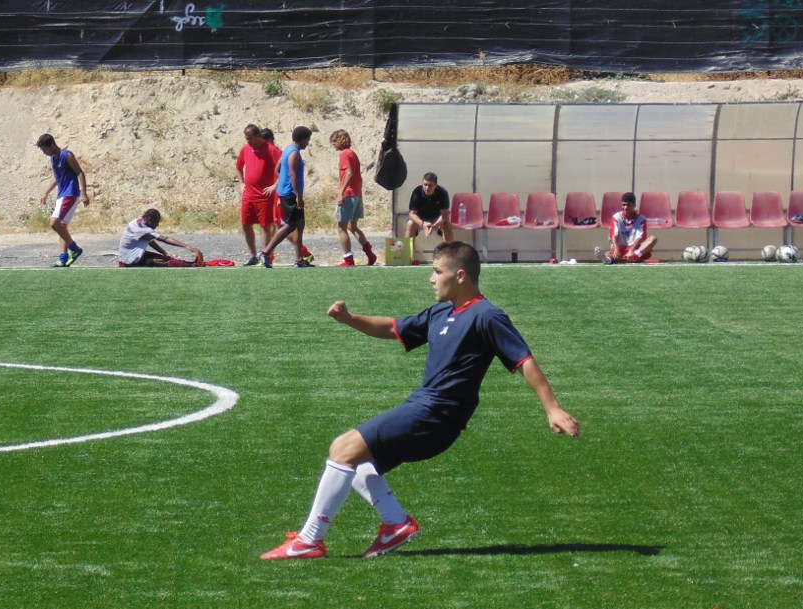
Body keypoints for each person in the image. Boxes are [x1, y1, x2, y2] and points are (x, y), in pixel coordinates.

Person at [261, 241, 580, 560]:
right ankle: (396, 525)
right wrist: (349, 318)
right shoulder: (442, 311)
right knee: (356, 461)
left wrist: (553, 409)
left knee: (343, 448)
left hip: (438, 415)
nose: (431, 278)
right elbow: (393, 327)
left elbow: (524, 361)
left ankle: (309, 541)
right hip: (424, 407)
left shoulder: (487, 316)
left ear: (460, 276)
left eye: (437, 272)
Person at [261, 126, 314, 268]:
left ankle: (299, 259)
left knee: (300, 224)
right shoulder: (294, 153)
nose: (308, 143)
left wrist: (282, 181)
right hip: (291, 194)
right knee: (290, 225)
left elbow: (277, 169)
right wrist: (298, 195)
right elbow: (292, 174)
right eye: (307, 140)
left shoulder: (287, 150)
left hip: (289, 192)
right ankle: (265, 252)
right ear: (302, 139)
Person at [36, 134, 90, 267]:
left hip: (70, 194)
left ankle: (74, 248)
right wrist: (46, 192)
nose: (44, 153)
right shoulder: (53, 158)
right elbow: (57, 177)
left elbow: (80, 173)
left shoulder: (67, 155)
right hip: (62, 195)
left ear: (51, 145)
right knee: (62, 227)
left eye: (44, 149)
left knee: (54, 222)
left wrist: (84, 193)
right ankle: (63, 258)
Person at [330, 129, 377, 267]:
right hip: (357, 194)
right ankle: (369, 253)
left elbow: (349, 173)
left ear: (340, 140)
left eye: (334, 141)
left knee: (341, 227)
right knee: (353, 226)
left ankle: (348, 259)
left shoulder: (344, 154)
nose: (333, 145)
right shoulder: (353, 154)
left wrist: (341, 192)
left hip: (349, 194)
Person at [235, 124, 279, 266]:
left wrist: (275, 185)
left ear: (258, 136)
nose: (249, 142)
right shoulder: (245, 149)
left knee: (265, 226)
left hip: (264, 196)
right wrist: (241, 183)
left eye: (251, 139)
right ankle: (253, 255)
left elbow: (283, 169)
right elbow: (238, 167)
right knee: (246, 224)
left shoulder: (271, 149)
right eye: (247, 139)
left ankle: (265, 255)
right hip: (248, 195)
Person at [117, 208, 203, 267]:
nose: (157, 224)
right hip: (128, 261)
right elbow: (165, 239)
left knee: (165, 258)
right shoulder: (143, 229)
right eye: (156, 222)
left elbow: (150, 241)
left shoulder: (136, 222)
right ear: (150, 219)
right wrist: (187, 246)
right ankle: (192, 265)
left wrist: (164, 252)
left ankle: (190, 264)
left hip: (129, 256)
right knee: (163, 262)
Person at [595, 192, 657, 264]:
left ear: (634, 205)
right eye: (623, 205)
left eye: (628, 205)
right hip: (620, 248)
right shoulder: (616, 217)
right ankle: (608, 259)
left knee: (653, 238)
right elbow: (614, 235)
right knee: (609, 249)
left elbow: (639, 237)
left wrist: (631, 251)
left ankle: (633, 256)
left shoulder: (641, 219)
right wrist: (617, 249)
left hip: (634, 249)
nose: (625, 207)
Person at [406, 172, 454, 245]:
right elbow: (412, 214)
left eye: (430, 185)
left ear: (435, 185)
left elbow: (445, 214)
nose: (427, 188)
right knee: (410, 224)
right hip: (420, 218)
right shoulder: (417, 192)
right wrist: (422, 224)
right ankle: (407, 251)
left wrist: (434, 226)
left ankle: (448, 250)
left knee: (447, 225)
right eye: (425, 185)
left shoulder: (442, 192)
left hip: (437, 218)